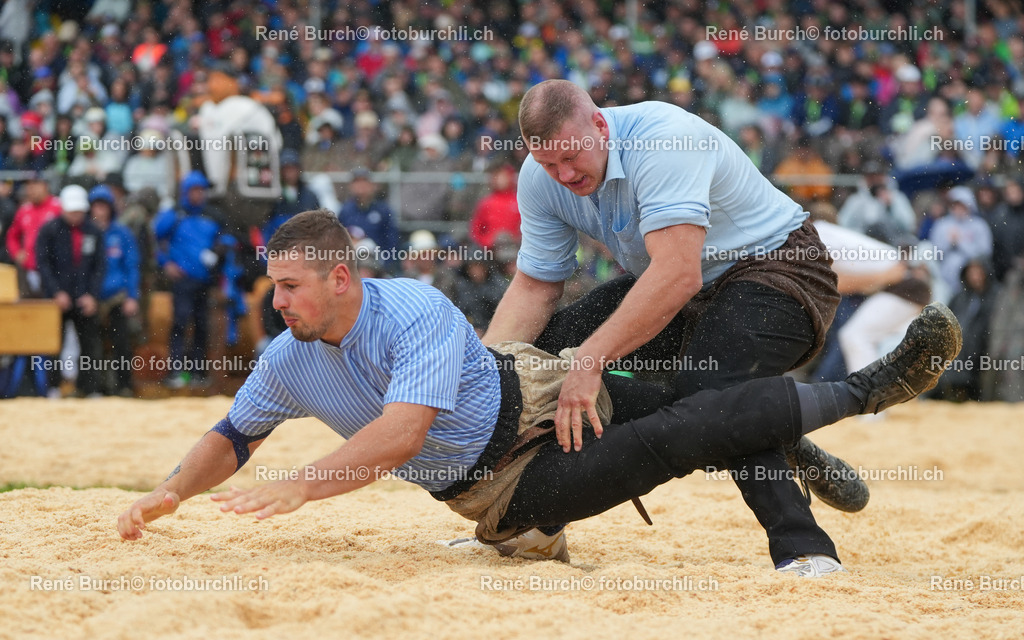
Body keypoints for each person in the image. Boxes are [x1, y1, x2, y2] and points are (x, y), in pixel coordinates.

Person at [116, 209, 963, 578]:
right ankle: (862, 393)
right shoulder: (287, 356)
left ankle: (836, 409)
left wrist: (307, 481)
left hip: (535, 387)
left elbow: (403, 434)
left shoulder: (411, 306)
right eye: (276, 288)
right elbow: (233, 434)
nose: (278, 303)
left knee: (688, 388)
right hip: (509, 488)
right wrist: (169, 492)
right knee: (686, 431)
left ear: (341, 278)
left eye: (292, 287)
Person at [481, 79, 851, 571]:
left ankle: (805, 548)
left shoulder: (662, 138)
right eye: (549, 164)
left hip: (780, 271)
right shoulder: (538, 176)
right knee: (538, 363)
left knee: (711, 389)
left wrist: (590, 361)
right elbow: (534, 287)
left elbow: (678, 273)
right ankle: (535, 529)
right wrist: (485, 373)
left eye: (572, 157)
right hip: (684, 287)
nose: (564, 174)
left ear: (599, 123)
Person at [153, 171, 227, 389]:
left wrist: (218, 251)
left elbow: (228, 239)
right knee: (180, 322)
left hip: (204, 280)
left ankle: (198, 372)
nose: (198, 194)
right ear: (186, 192)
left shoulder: (214, 215)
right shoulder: (174, 215)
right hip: (182, 280)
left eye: (201, 190)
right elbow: (155, 240)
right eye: (194, 190)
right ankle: (176, 371)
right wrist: (166, 263)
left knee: (202, 325)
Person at [35, 185, 106, 397]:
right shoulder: (49, 230)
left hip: (85, 297)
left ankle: (88, 388)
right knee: (53, 344)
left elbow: (99, 266)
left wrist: (92, 294)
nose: (76, 215)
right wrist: (56, 292)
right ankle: (54, 387)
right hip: (57, 298)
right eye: (72, 211)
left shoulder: (94, 231)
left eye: (79, 211)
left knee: (90, 345)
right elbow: (43, 263)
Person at [90, 184, 140, 396]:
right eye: (96, 206)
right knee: (93, 346)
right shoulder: (86, 233)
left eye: (104, 206)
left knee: (121, 343)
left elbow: (131, 265)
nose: (100, 211)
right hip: (92, 298)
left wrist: (132, 296)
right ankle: (96, 387)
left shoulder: (122, 233)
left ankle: (124, 386)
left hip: (117, 296)